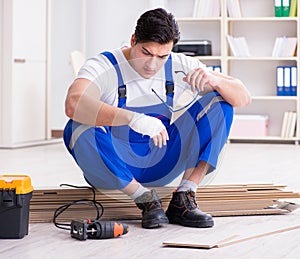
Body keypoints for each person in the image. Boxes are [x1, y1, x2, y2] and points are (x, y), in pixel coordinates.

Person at [63, 8, 251, 229]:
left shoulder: (179, 65)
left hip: (161, 160)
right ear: (133, 40)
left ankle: (185, 196)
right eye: (146, 52)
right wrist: (133, 118)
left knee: (222, 105)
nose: (152, 65)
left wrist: (215, 80)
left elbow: (243, 97)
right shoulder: (104, 65)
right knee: (76, 126)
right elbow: (73, 103)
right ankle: (145, 199)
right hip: (116, 166)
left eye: (162, 56)